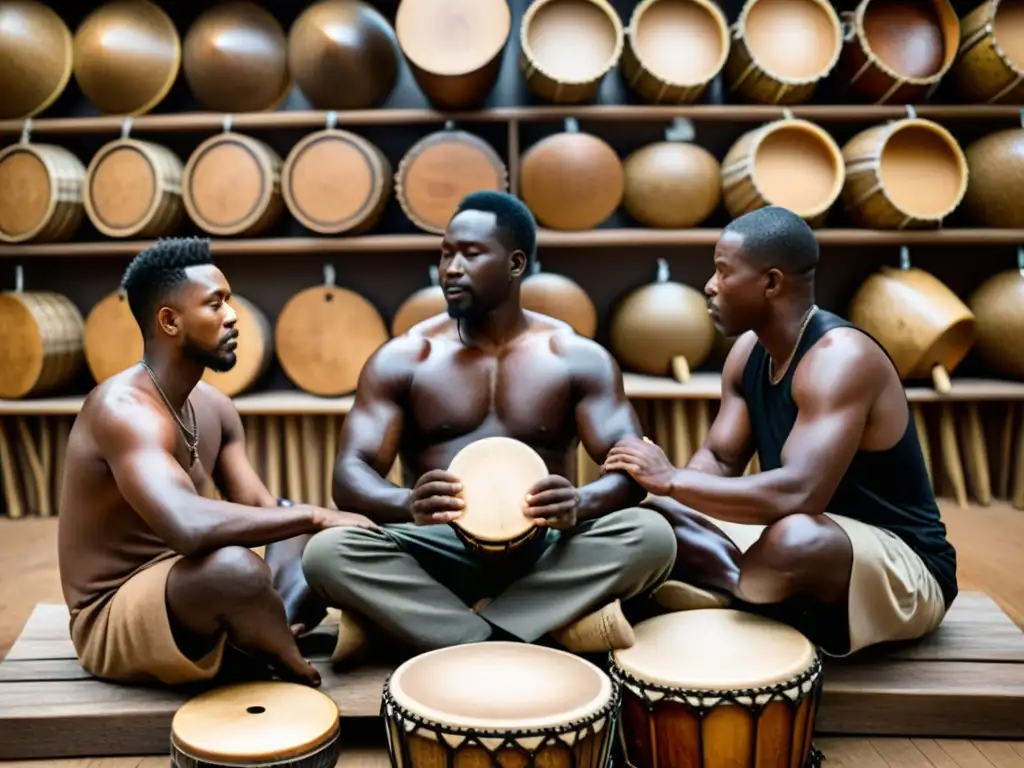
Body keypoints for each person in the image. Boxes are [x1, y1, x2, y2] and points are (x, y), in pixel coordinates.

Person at [301, 191, 677, 663]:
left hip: (545, 545)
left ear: (516, 263)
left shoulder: (575, 356)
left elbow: (630, 470)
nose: (451, 268)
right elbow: (350, 474)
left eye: (471, 253)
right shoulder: (405, 358)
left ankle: (451, 634)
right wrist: (405, 502)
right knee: (328, 553)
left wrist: (581, 503)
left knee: (651, 536)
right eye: (446, 253)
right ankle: (531, 631)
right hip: (441, 547)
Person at [602, 206, 958, 657]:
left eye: (723, 272)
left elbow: (799, 494)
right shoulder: (749, 350)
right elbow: (720, 461)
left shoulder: (839, 357)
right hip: (788, 533)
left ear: (771, 283)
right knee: (659, 517)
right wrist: (664, 498)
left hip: (902, 566)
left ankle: (727, 592)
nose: (709, 286)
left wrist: (671, 478)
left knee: (795, 539)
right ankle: (750, 592)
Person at [57, 237, 375, 689]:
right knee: (238, 568)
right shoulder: (122, 409)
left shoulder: (214, 406)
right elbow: (187, 526)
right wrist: (319, 514)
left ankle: (260, 626)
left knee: (292, 527)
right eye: (215, 304)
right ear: (169, 320)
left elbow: (264, 509)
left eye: (230, 301)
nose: (232, 316)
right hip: (116, 612)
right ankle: (276, 645)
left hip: (192, 581)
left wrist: (308, 524)